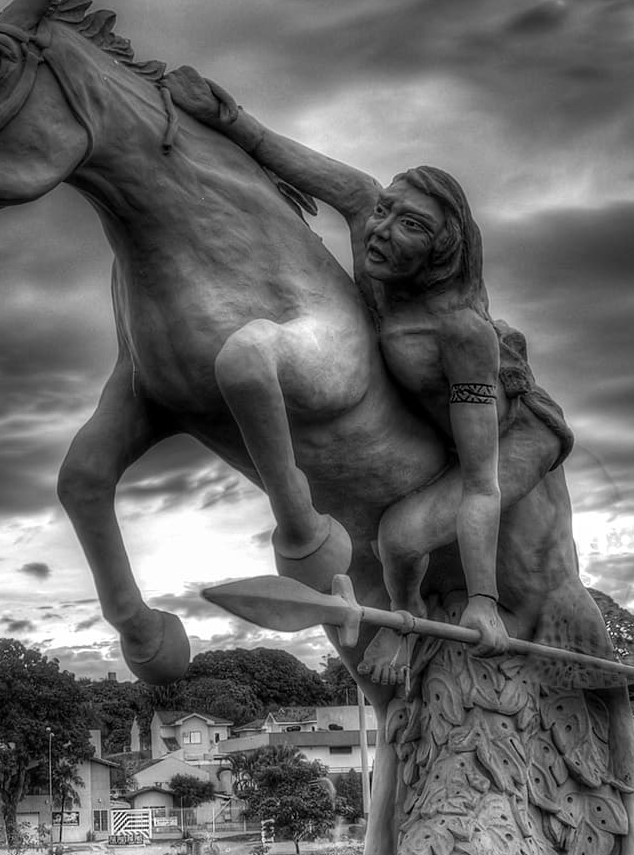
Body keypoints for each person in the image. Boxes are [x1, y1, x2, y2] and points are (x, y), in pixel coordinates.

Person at [166, 67, 573, 686]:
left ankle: (402, 625)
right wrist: (225, 117)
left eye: (413, 227)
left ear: (442, 250)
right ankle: (404, 617)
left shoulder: (461, 332)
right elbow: (279, 150)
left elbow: (481, 480)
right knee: (397, 538)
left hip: (517, 435)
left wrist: (483, 599)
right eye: (389, 210)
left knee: (402, 539)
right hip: (439, 430)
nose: (384, 230)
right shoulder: (366, 214)